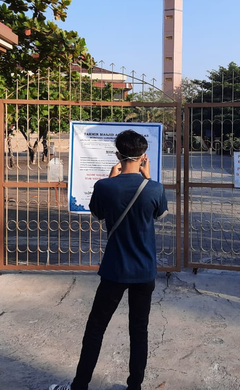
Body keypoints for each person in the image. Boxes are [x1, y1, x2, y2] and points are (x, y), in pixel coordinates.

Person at [50, 129, 169, 390]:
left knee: (95, 329)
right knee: (139, 332)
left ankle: (80, 385)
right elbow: (159, 216)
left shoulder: (104, 186)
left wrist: (109, 179)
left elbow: (98, 214)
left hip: (114, 270)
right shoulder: (155, 188)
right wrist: (147, 178)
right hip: (144, 272)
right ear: (143, 156)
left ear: (117, 155)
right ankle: (134, 386)